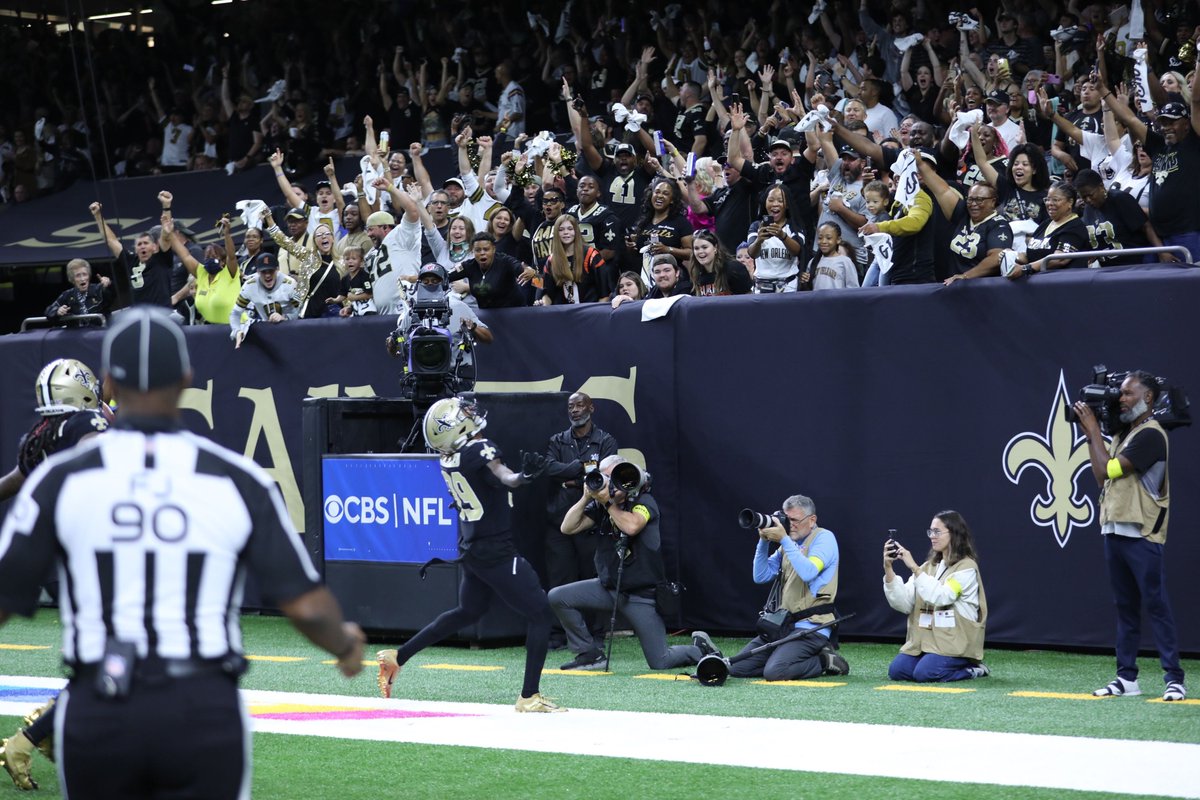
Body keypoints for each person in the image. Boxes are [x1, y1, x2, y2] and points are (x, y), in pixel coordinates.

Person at [0, 308, 365, 799]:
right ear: (187, 379)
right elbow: (304, 604)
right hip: (201, 706)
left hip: (100, 706)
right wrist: (343, 643)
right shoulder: (237, 478)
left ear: (108, 381)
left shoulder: (60, 479)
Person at [376, 397, 564, 712]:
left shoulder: (449, 459)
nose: (471, 413)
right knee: (541, 614)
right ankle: (529, 696)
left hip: (473, 549)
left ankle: (399, 655)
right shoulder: (479, 449)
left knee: (467, 612)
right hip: (496, 551)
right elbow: (505, 476)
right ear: (456, 427)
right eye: (463, 413)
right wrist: (524, 478)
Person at [1073, 371, 1186, 702]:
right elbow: (1101, 478)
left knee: (1156, 605)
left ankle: (1174, 679)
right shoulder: (1127, 433)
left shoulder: (1151, 435)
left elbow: (1107, 469)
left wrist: (1093, 430)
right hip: (1114, 529)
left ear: (1147, 398)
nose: (1120, 399)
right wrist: (1094, 435)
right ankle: (1126, 678)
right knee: (1125, 607)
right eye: (1120, 393)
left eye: (1127, 394)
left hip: (1142, 533)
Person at [552, 456, 713, 671]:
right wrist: (585, 497)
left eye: (611, 477)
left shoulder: (644, 502)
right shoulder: (601, 507)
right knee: (558, 597)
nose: (607, 483)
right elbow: (567, 527)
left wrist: (608, 503)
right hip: (607, 588)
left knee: (660, 661)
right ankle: (589, 653)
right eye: (604, 477)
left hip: (639, 595)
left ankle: (698, 649)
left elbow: (632, 527)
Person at [727, 495, 848, 681]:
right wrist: (764, 541)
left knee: (775, 672)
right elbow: (760, 576)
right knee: (737, 668)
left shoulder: (824, 538)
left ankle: (825, 660)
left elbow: (808, 572)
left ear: (812, 519)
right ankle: (786, 657)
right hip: (784, 626)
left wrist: (784, 539)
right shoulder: (789, 545)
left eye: (794, 520)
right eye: (787, 519)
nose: (789, 524)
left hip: (812, 626)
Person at [541, 393, 619, 649]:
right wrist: (581, 469)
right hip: (559, 519)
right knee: (559, 577)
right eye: (570, 406)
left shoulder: (605, 440)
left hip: (591, 519)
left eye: (579, 405)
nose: (574, 410)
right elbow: (549, 470)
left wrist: (570, 478)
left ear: (591, 408)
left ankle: (595, 634)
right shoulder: (557, 440)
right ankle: (557, 634)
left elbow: (604, 476)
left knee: (591, 577)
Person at [883, 511, 990, 682]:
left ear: (954, 534)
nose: (932, 536)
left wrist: (914, 568)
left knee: (925, 673)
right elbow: (903, 604)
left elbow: (942, 596)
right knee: (897, 671)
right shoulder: (928, 567)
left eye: (937, 532)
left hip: (954, 643)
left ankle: (974, 668)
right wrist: (888, 569)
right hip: (926, 643)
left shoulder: (966, 568)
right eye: (930, 532)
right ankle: (932, 661)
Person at [229, 253, 302, 348]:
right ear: (258, 272)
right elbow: (235, 313)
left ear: (277, 269)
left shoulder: (290, 284)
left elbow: (300, 311)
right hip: (267, 334)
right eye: (264, 272)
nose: (267, 275)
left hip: (291, 332)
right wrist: (237, 330)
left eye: (271, 271)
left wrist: (285, 317)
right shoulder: (249, 286)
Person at [44, 258, 112, 324]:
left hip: (100, 331)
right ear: (72, 279)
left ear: (89, 275)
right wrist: (57, 311)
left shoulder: (99, 289)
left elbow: (112, 295)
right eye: (78, 276)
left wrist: (108, 284)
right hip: (76, 333)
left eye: (84, 274)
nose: (82, 279)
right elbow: (49, 311)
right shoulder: (67, 295)